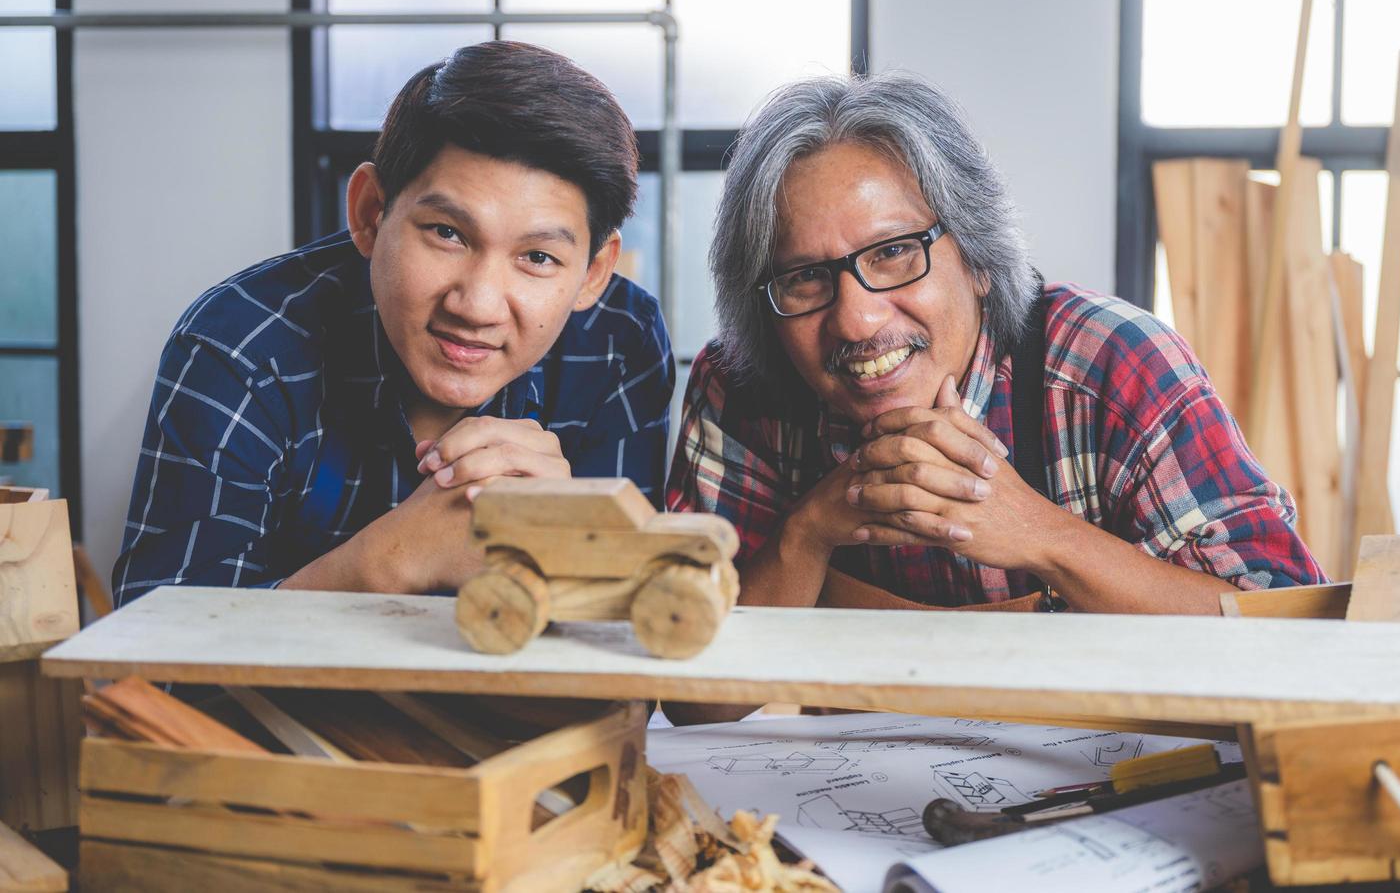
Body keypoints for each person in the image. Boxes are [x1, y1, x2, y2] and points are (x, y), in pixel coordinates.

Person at [668, 71, 1324, 633]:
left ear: (979, 259)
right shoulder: (740, 388)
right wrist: (807, 532)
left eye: (894, 252)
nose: (857, 319)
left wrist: (1040, 535)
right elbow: (695, 701)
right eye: (803, 276)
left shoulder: (1114, 365)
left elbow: (1286, 637)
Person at [113, 42, 672, 606]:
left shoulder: (618, 344)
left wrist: (574, 544)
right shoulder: (241, 346)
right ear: (370, 213)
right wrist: (392, 559)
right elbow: (151, 662)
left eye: (538, 258)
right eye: (447, 233)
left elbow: (623, 671)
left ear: (593, 272)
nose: (476, 306)